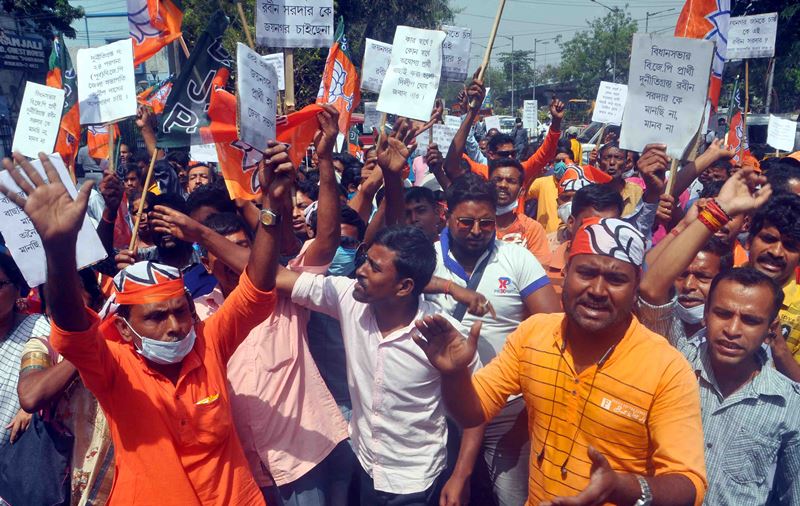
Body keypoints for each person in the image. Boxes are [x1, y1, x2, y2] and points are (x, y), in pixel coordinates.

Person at [0, 147, 285, 504]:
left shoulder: (209, 342)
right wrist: (59, 249)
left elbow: (256, 288)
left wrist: (272, 208)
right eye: (155, 316)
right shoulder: (115, 368)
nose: (175, 326)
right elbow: (73, 333)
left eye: (181, 311)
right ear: (122, 328)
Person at [415, 216, 708, 506]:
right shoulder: (534, 334)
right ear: (566, 273)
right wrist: (454, 375)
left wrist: (624, 487)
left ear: (636, 287)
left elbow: (689, 484)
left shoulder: (666, 368)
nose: (597, 290)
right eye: (586, 273)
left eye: (616, 279)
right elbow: (473, 413)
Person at [426, 173, 560, 505]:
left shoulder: (517, 258)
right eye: (466, 222)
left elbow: (553, 326)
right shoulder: (427, 258)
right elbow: (394, 278)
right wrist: (449, 287)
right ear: (447, 215)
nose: (476, 231)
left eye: (486, 223)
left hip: (507, 411)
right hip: (440, 409)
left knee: (512, 499)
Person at [675, 268, 800, 505]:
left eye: (750, 320)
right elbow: (651, 290)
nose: (732, 330)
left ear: (770, 330)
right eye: (722, 314)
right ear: (705, 314)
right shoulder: (675, 364)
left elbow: (793, 495)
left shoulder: (789, 405)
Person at [637, 166, 771, 348]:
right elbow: (647, 281)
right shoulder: (665, 331)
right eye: (681, 274)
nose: (689, 286)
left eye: (703, 277)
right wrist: (686, 224)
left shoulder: (740, 340)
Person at [18, 269, 115, 505]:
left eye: (70, 293)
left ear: (92, 297)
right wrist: (82, 349)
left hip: (110, 474)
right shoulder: (42, 346)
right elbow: (31, 397)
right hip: (60, 475)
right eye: (52, 298)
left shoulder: (117, 343)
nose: (62, 304)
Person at [745, 193, 800, 379]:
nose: (777, 252)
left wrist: (777, 343)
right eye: (769, 239)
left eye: (790, 246)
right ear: (749, 240)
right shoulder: (718, 281)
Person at [0, 254, 51, 446]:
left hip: (10, 460)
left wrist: (31, 408)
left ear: (17, 290)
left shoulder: (38, 328)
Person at [488, 158, 551, 265]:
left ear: (521, 191)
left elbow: (539, 273)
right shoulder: (474, 225)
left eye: (511, 181)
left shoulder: (532, 229)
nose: (503, 185)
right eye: (497, 180)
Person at [596, 142, 642, 216]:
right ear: (599, 162)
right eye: (607, 158)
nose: (612, 162)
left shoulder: (636, 191)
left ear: (626, 163)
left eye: (618, 158)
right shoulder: (591, 191)